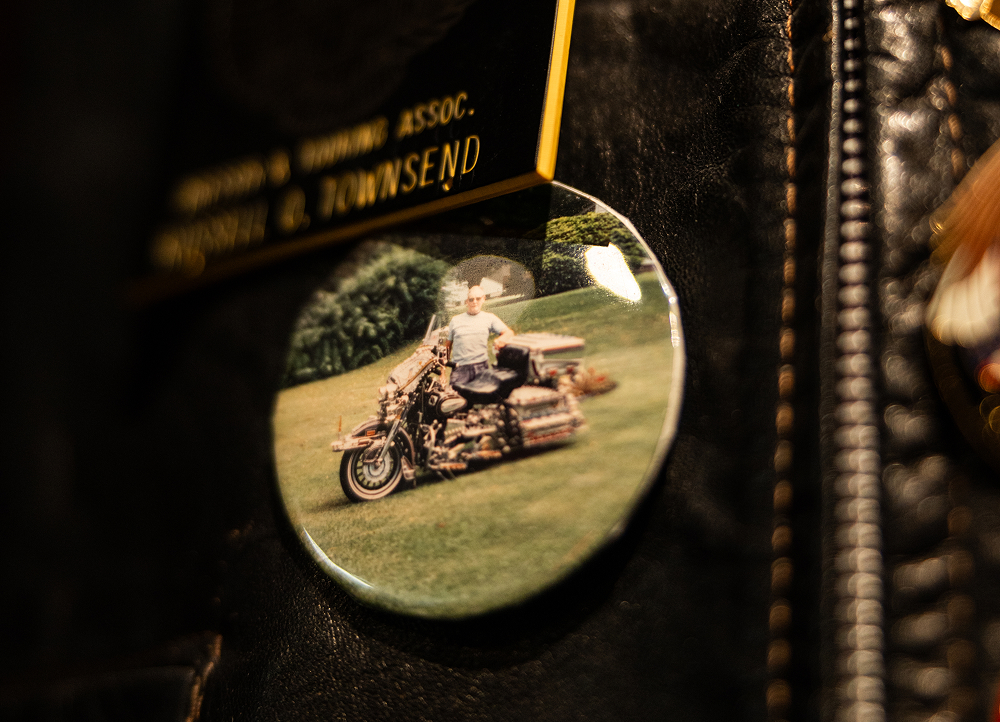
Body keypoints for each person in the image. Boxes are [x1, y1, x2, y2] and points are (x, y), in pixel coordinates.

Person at [445, 285, 514, 387]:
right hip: (460, 369)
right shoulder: (455, 320)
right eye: (471, 299)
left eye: (478, 298)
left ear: (483, 299)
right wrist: (442, 372)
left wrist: (500, 340)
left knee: (484, 399)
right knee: (457, 400)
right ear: (466, 302)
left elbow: (509, 333)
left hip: (481, 367)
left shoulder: (489, 318)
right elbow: (447, 347)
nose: (474, 302)